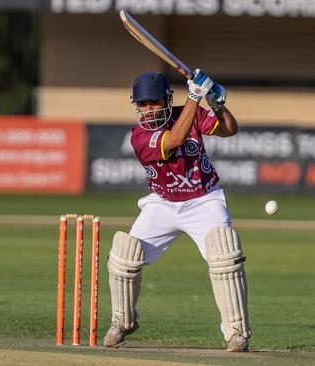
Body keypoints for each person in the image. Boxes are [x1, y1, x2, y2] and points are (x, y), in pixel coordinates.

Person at [103, 69, 251, 352]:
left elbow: (230, 129)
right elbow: (174, 140)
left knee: (224, 254)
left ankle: (236, 332)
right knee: (124, 255)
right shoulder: (138, 136)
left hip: (204, 198)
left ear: (167, 100)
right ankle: (123, 321)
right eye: (142, 105)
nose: (148, 110)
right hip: (163, 203)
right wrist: (196, 95)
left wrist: (216, 102)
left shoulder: (191, 112)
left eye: (154, 103)